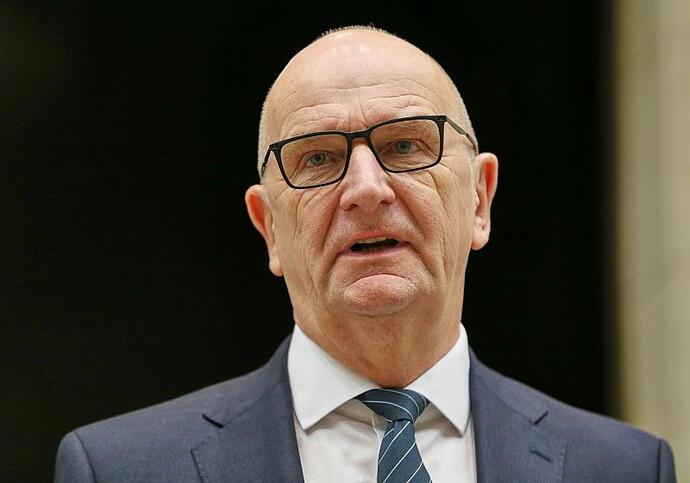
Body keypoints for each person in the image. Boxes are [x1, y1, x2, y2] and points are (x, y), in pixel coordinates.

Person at [55, 26, 676, 482]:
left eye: (405, 146)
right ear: (270, 228)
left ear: (480, 200)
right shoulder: (120, 469)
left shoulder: (621, 468)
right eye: (317, 157)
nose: (366, 189)